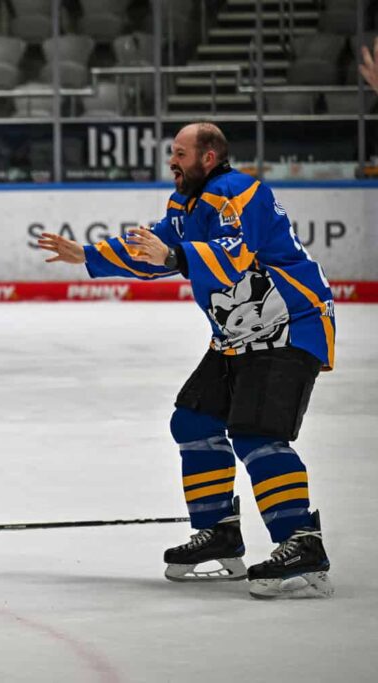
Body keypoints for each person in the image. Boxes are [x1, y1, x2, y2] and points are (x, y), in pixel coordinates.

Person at [38, 122, 334, 600]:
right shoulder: (186, 203)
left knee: (258, 434)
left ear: (209, 157)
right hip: (237, 336)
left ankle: (303, 543)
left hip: (288, 326)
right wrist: (88, 255)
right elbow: (154, 251)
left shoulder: (240, 192)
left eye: (179, 153)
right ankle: (219, 531)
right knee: (193, 421)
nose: (171, 161)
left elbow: (235, 256)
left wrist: (175, 254)